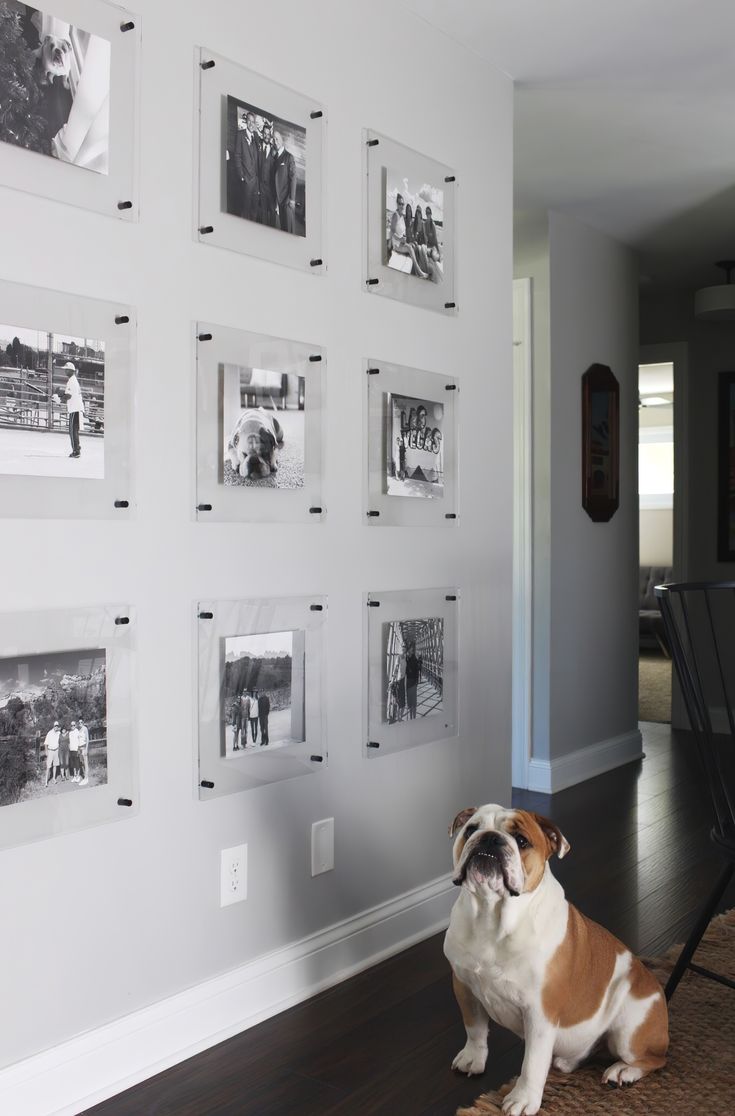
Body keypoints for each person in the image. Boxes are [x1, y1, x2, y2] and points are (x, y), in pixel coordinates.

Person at [389, 194, 427, 278]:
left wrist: (404, 238)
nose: (401, 205)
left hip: (401, 243)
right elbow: (391, 233)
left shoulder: (401, 216)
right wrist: (399, 238)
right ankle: (419, 272)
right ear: (397, 204)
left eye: (403, 204)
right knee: (410, 248)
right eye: (400, 203)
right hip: (396, 245)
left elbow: (403, 231)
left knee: (413, 246)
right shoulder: (395, 215)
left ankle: (417, 271)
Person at [233, 111, 261, 221]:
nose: (251, 123)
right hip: (246, 179)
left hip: (256, 181)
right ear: (246, 121)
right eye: (249, 121)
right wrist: (241, 175)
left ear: (255, 124)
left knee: (254, 209)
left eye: (253, 122)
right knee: (245, 209)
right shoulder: (240, 135)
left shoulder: (256, 136)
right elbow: (237, 156)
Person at [273, 128, 297, 234]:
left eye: (277, 139)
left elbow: (293, 178)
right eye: (273, 139)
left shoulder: (289, 157)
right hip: (279, 199)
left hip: (286, 200)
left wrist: (292, 199)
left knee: (288, 230)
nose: (275, 142)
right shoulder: (275, 157)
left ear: (282, 141)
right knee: (283, 228)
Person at [62, 362, 84, 458]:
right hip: (76, 408)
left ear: (71, 371)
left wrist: (59, 398)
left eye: (66, 369)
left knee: (72, 431)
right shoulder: (73, 380)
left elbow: (68, 395)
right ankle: (77, 449)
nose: (65, 371)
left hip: (75, 409)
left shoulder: (71, 381)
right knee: (74, 430)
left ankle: (76, 451)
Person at [259, 122, 278, 227]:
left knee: (272, 211)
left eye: (268, 134)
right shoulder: (258, 146)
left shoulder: (274, 150)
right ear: (262, 134)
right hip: (261, 186)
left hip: (271, 188)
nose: (266, 136)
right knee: (263, 211)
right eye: (264, 134)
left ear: (270, 136)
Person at [391, 649, 407, 722]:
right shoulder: (399, 657)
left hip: (403, 681)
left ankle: (399, 717)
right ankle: (397, 717)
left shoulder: (406, 657)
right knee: (398, 700)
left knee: (403, 702)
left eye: (405, 648)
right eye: (402, 647)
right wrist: (393, 680)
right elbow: (396, 669)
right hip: (398, 681)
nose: (403, 649)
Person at [406, 642, 420, 720]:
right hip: (409, 682)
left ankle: (413, 717)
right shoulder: (407, 658)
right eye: (410, 650)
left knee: (413, 702)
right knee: (411, 701)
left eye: (411, 650)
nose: (411, 651)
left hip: (412, 682)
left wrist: (416, 681)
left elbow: (417, 671)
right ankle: (411, 717)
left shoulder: (413, 658)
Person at [43, 721, 61, 786]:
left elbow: (60, 741)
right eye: (55, 726)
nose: (56, 727)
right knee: (48, 766)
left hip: (56, 751)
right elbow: (45, 743)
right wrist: (46, 751)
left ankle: (54, 778)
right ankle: (46, 782)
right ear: (53, 726)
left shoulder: (59, 733)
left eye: (57, 726)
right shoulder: (49, 733)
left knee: (55, 765)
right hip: (50, 751)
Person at [77, 717, 89, 786]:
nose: (80, 723)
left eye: (81, 722)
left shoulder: (85, 728)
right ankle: (84, 776)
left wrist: (86, 749)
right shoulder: (79, 730)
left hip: (84, 747)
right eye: (79, 722)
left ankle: (86, 778)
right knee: (82, 763)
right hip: (80, 748)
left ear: (83, 723)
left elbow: (87, 739)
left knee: (85, 762)